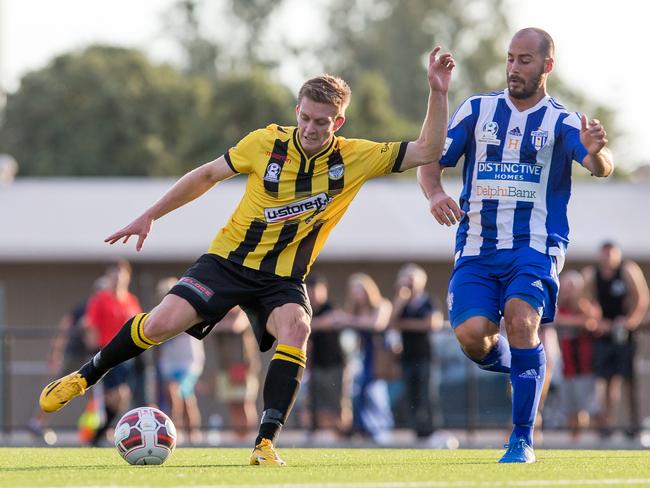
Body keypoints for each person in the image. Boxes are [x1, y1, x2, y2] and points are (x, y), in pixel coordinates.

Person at [39, 47, 455, 465]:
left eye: (321, 122)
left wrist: (437, 92)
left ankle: (265, 442)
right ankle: (83, 377)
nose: (310, 128)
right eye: (305, 117)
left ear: (338, 122)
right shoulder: (265, 142)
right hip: (227, 263)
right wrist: (151, 214)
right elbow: (205, 176)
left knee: (297, 327)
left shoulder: (355, 156)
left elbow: (427, 149)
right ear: (297, 109)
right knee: (163, 322)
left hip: (282, 280)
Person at [417, 27, 613, 463]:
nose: (513, 68)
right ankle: (525, 363)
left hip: (535, 247)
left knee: (522, 320)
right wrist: (434, 193)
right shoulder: (477, 109)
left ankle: (522, 437)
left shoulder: (561, 121)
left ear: (547, 65)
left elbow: (601, 166)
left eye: (524, 60)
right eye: (510, 58)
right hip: (476, 248)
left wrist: (598, 152)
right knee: (471, 336)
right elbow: (429, 157)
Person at [28, 274, 107, 442]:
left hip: (91, 355)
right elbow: (67, 326)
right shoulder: (86, 306)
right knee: (59, 389)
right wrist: (55, 352)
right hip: (76, 355)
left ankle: (91, 431)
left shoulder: (105, 306)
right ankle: (37, 422)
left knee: (97, 396)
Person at [583, 242, 649, 438]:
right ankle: (607, 424)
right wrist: (596, 319)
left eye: (611, 255)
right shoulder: (592, 274)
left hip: (625, 334)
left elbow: (642, 298)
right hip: (604, 334)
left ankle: (633, 424)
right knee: (606, 380)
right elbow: (582, 298)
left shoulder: (628, 270)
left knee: (629, 380)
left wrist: (629, 322)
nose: (607, 259)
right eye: (604, 255)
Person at [83, 260, 142, 446]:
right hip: (107, 355)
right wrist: (95, 354)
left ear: (128, 277)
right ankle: (98, 436)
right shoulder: (100, 299)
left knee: (121, 399)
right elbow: (90, 326)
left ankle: (98, 436)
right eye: (114, 274)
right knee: (118, 396)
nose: (117, 278)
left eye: (121, 274)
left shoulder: (131, 300)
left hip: (128, 358)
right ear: (108, 277)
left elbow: (138, 327)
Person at [389, 263, 443, 444]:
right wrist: (400, 302)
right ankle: (417, 433)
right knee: (411, 395)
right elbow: (391, 323)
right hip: (408, 357)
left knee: (427, 395)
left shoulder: (428, 301)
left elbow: (432, 324)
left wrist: (405, 324)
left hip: (425, 356)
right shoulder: (401, 302)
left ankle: (431, 431)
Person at [342, 273, 394, 444]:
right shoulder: (353, 311)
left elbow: (376, 324)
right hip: (359, 357)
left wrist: (350, 320)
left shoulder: (382, 305)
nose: (358, 295)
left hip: (376, 356)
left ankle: (381, 430)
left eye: (361, 290)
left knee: (375, 392)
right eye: (355, 291)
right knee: (357, 393)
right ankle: (360, 429)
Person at [156, 277, 206, 445]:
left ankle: (191, 433)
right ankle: (177, 432)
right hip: (170, 362)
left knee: (181, 394)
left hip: (188, 361)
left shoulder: (189, 308)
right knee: (178, 397)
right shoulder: (159, 310)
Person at [554, 270, 600, 442]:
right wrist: (576, 321)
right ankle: (574, 441)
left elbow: (592, 322)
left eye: (571, 287)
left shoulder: (586, 305)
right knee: (570, 409)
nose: (568, 291)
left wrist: (577, 318)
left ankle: (598, 439)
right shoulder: (560, 307)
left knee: (589, 408)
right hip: (566, 366)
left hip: (585, 366)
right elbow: (556, 319)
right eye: (565, 287)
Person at [304, 272, 349, 441]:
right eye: (311, 289)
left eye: (317, 289)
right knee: (315, 403)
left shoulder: (331, 307)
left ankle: (342, 434)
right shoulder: (307, 309)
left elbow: (332, 320)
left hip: (334, 365)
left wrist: (310, 325)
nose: (314, 293)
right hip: (315, 365)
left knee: (336, 403)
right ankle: (318, 433)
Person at [212, 306, 261, 440]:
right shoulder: (220, 316)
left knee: (245, 403)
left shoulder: (244, 314)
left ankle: (248, 436)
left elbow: (234, 326)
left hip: (243, 366)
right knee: (232, 404)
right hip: (226, 367)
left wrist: (220, 323)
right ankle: (238, 436)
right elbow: (212, 329)